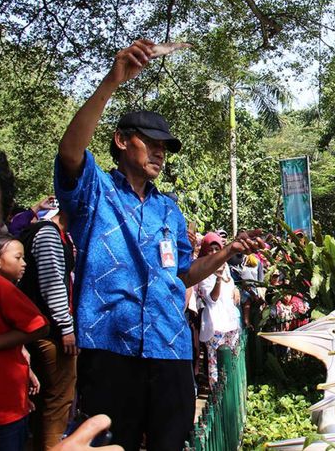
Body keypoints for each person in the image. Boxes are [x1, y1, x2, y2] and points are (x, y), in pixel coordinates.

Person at [54, 39, 261, 450]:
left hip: (169, 345)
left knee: (173, 441)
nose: (160, 153)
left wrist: (226, 252)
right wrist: (112, 82)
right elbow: (70, 151)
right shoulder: (95, 192)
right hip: (111, 346)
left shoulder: (169, 210)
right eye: (151, 143)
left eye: (165, 147)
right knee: (115, 443)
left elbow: (182, 274)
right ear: (121, 141)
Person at [17, 208, 78, 450]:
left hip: (47, 329)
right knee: (57, 402)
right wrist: (66, 327)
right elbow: (52, 284)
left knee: (46, 401)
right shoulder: (48, 235)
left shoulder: (62, 235)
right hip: (50, 332)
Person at [0, 234, 50, 451]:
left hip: (8, 403)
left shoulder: (5, 288)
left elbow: (38, 325)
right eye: (18, 257)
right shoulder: (3, 287)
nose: (24, 263)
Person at [196, 232, 241, 388]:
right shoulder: (202, 269)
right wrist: (218, 279)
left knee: (233, 361)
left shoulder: (225, 265)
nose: (215, 253)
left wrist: (235, 289)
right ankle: (219, 399)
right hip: (215, 324)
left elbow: (231, 285)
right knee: (215, 365)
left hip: (230, 322)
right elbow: (211, 298)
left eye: (217, 249)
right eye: (211, 249)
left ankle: (233, 392)